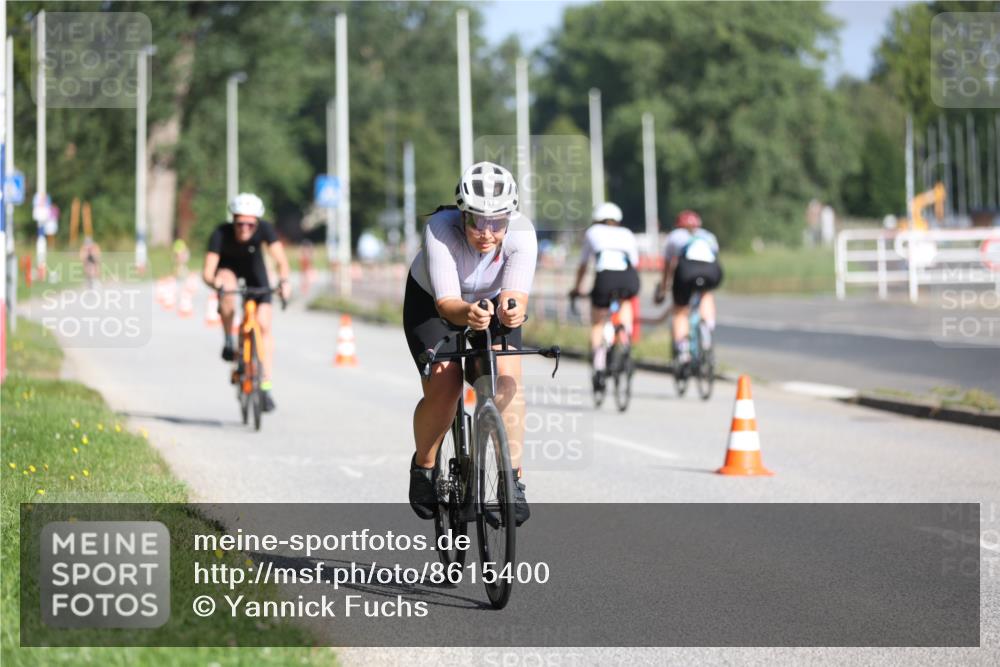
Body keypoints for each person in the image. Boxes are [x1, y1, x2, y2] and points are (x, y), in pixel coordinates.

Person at [403, 162, 536, 525]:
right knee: (446, 387)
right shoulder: (440, 229)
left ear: (510, 217)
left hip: (488, 303)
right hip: (433, 303)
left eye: (497, 222)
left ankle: (512, 480)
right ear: (462, 214)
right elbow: (447, 304)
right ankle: (424, 465)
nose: (487, 233)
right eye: (477, 221)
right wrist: (469, 314)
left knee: (507, 382)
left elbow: (515, 297)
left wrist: (511, 312)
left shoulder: (523, 234)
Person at [202, 193, 292, 412]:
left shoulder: (265, 229)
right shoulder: (220, 233)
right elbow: (207, 272)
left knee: (264, 325)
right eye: (240, 223)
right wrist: (215, 283)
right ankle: (229, 339)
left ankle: (266, 385)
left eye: (250, 224)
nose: (244, 229)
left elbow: (281, 261)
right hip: (228, 270)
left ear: (257, 223)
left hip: (254, 272)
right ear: (233, 220)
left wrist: (284, 282)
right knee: (227, 288)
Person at [569, 202, 640, 391]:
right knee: (625, 303)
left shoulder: (593, 232)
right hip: (628, 277)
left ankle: (599, 366)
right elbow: (634, 262)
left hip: (605, 277)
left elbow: (583, 265)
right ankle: (625, 339)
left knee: (598, 323)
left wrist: (576, 288)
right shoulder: (627, 233)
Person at [654, 210, 723, 365]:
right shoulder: (709, 236)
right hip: (711, 270)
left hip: (687, 270)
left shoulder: (675, 236)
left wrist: (664, 287)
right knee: (706, 293)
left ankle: (683, 349)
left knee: (680, 310)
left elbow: (667, 266)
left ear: (679, 225)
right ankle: (707, 327)